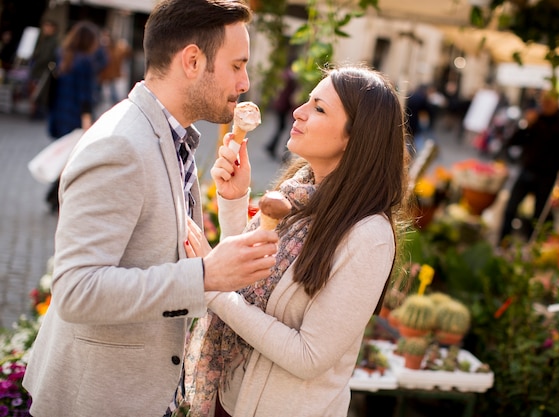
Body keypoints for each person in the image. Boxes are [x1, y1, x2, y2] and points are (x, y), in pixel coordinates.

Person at [23, 1, 279, 416]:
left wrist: (231, 202)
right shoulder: (121, 145)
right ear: (192, 61)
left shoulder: (172, 136)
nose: (245, 82)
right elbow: (75, 291)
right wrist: (205, 275)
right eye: (237, 66)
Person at [171, 64, 409, 417]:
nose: (298, 112)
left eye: (319, 108)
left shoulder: (368, 236)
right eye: (308, 101)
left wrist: (213, 289)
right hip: (226, 397)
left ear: (355, 136)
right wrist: (234, 199)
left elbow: (309, 356)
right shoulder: (299, 192)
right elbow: (249, 281)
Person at [498, 89, 559, 245]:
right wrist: (526, 125)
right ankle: (503, 242)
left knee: (539, 215)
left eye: (549, 101)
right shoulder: (535, 120)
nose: (545, 105)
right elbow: (513, 142)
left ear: (557, 102)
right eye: (543, 101)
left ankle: (532, 246)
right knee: (511, 207)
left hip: (547, 176)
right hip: (527, 170)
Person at [43, 20, 101, 213]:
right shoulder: (85, 61)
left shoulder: (62, 55)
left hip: (59, 114)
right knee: (71, 160)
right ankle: (55, 196)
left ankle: (54, 195)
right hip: (75, 116)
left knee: (65, 158)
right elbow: (85, 94)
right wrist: (87, 121)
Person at [28, 18, 59, 119]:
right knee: (35, 91)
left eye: (48, 27)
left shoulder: (52, 42)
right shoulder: (44, 40)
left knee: (38, 92)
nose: (45, 29)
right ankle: (35, 111)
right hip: (39, 70)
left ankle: (37, 112)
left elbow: (46, 57)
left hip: (43, 70)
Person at [264, 66, 297, 160]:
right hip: (283, 107)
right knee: (284, 129)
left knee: (282, 129)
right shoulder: (291, 78)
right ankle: (282, 152)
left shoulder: (285, 76)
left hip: (281, 106)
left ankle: (273, 147)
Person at [97, 28, 131, 106]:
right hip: (103, 75)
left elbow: (127, 53)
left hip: (112, 75)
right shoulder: (102, 49)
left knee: (113, 94)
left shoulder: (117, 48)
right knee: (103, 95)